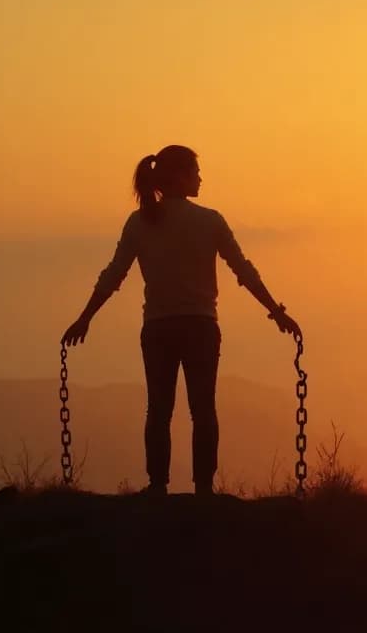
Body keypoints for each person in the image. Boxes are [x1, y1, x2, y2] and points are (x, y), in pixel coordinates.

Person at [60, 145, 300, 496]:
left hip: (158, 328)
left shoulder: (139, 223)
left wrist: (85, 318)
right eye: (195, 171)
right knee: (203, 409)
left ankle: (158, 486)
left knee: (158, 409)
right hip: (202, 327)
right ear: (178, 176)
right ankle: (203, 489)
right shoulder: (210, 221)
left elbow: (113, 275)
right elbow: (244, 271)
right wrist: (276, 312)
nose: (200, 178)